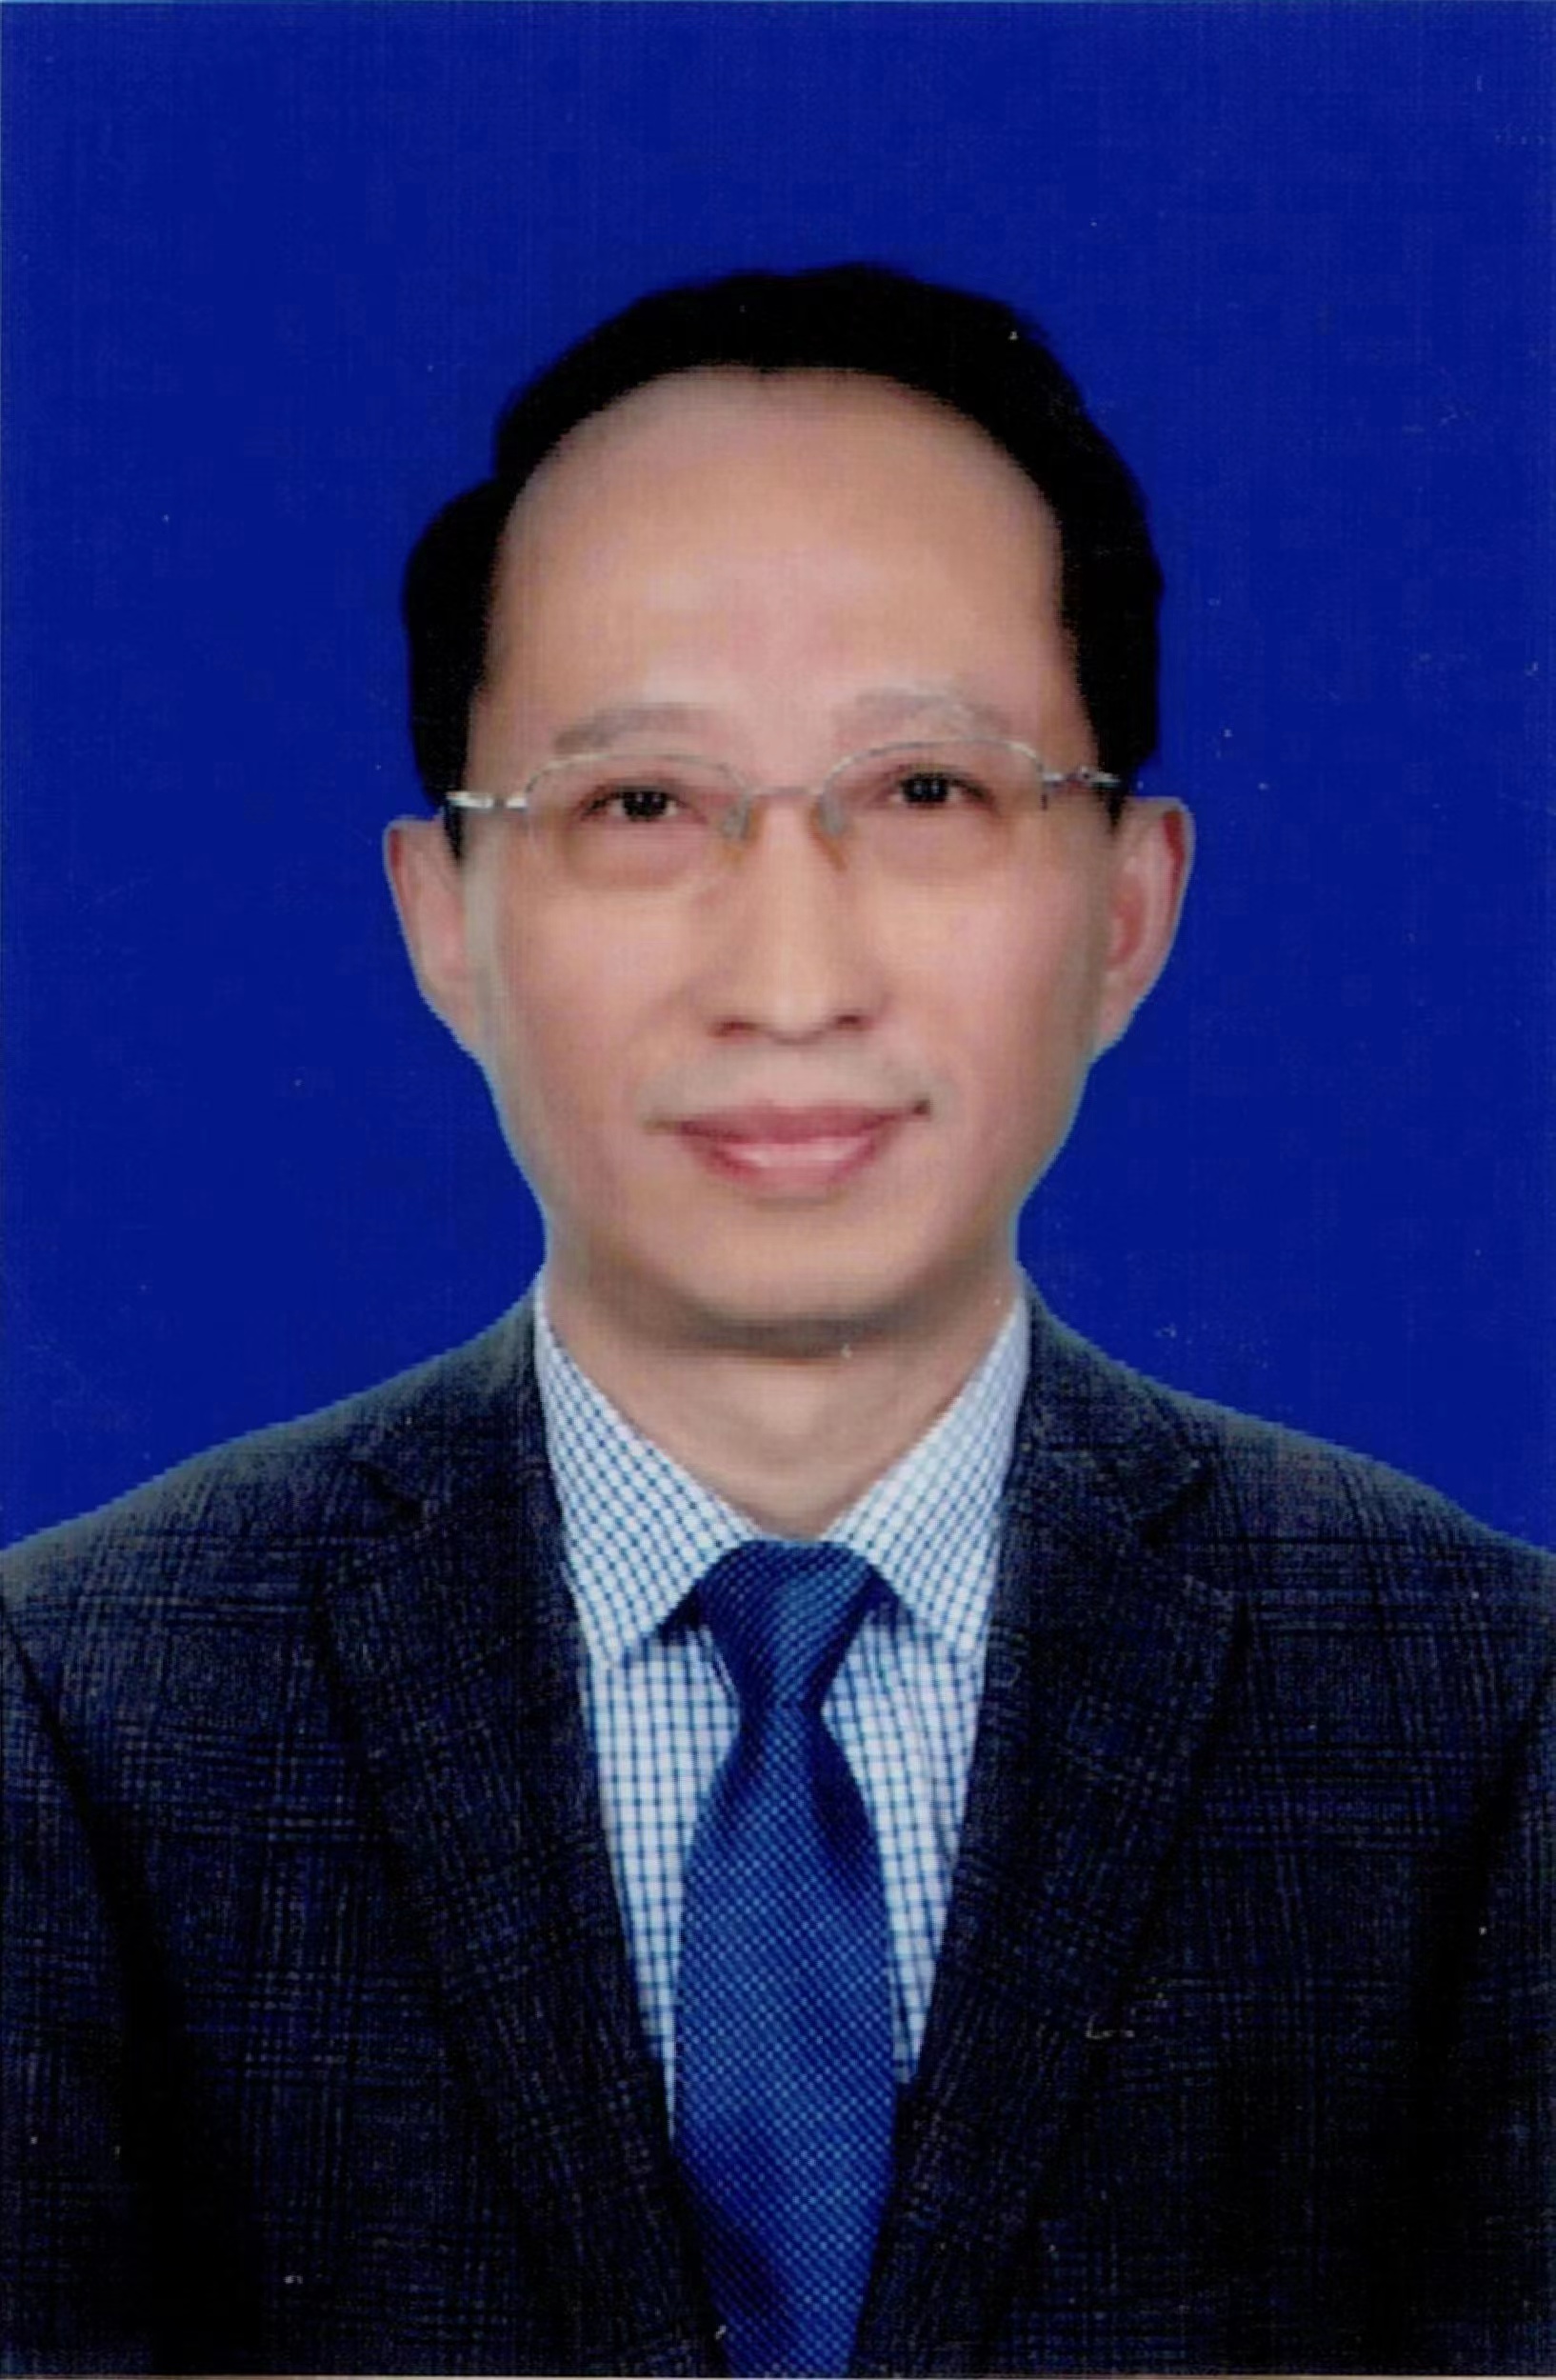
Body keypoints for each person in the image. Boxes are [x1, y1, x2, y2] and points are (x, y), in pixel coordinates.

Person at [2, 264, 1550, 2380]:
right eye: (640, 806)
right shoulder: (84, 1710)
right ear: (443, 920)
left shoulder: (1477, 1707)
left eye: (927, 792)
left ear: (1127, 907)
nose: (791, 978)